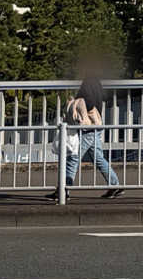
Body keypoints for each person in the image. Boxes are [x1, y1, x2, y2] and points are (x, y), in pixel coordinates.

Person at [48, 59, 124, 200]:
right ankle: (115, 185)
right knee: (98, 158)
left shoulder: (87, 83)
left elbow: (87, 102)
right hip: (96, 126)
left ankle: (63, 191)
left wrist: (79, 107)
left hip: (88, 128)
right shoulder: (97, 83)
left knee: (72, 158)